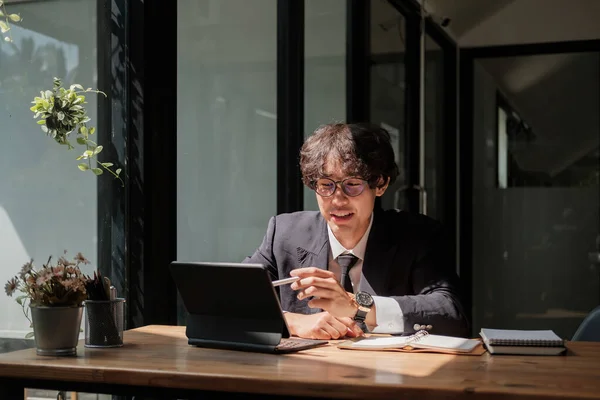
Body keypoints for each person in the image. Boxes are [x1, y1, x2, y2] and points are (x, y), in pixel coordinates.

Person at [243, 123, 469, 340]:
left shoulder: (418, 235)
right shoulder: (285, 234)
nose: (337, 200)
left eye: (352, 184)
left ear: (380, 184)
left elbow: (451, 314)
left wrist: (359, 306)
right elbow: (229, 299)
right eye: (325, 184)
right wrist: (291, 322)